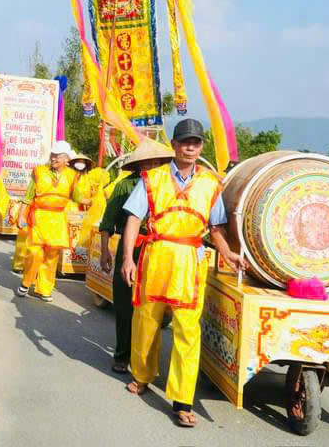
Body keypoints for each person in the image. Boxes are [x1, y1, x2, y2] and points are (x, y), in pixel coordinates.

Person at [120, 118, 245, 428]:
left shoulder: (210, 183)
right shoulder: (152, 178)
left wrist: (227, 252)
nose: (190, 146)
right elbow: (134, 219)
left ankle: (182, 400)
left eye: (196, 142)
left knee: (188, 330)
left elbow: (215, 229)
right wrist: (127, 258)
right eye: (185, 141)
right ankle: (142, 375)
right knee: (147, 319)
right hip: (156, 256)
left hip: (190, 259)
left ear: (200, 147)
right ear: (174, 145)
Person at [98, 139, 174, 374]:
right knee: (124, 303)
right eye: (148, 162)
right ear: (140, 164)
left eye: (157, 161)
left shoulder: (169, 185)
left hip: (160, 249)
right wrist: (104, 251)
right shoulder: (125, 186)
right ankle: (122, 354)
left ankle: (145, 360)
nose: (152, 165)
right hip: (131, 246)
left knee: (154, 305)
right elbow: (107, 221)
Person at [16, 140, 83, 302]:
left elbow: (77, 197)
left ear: (66, 159)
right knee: (35, 252)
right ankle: (27, 282)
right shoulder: (39, 172)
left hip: (58, 220)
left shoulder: (72, 176)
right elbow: (28, 197)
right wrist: (21, 215)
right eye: (52, 155)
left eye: (57, 156)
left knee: (52, 256)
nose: (53, 158)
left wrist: (93, 199)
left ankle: (44, 289)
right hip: (39, 217)